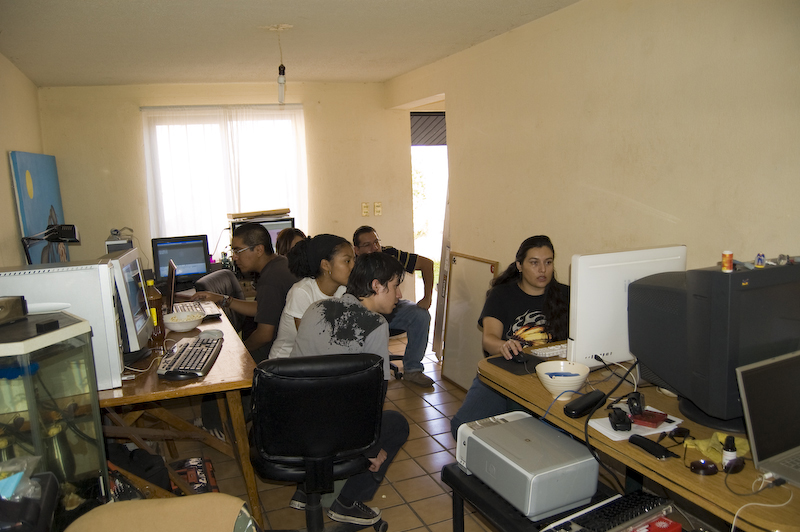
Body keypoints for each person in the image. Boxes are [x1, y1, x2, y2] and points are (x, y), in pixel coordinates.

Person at [290, 253, 410, 526]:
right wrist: (371, 448)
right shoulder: (375, 325)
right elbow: (373, 398)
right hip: (333, 434)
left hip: (293, 427)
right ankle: (347, 502)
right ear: (377, 286)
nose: (399, 294)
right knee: (396, 424)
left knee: (323, 407)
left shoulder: (316, 308)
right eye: (395, 286)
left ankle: (307, 489)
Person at [449, 235, 569, 437]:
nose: (542, 270)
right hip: (503, 374)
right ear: (520, 266)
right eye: (534, 263)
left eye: (548, 262)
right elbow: (489, 339)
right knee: (463, 428)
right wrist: (503, 345)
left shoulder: (566, 295)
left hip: (549, 379)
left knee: (544, 435)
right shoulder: (501, 295)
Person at [192, 223, 297, 364]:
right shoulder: (280, 263)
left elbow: (264, 336)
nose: (235, 257)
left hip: (276, 356)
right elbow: (263, 308)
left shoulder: (271, 279)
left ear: (259, 250)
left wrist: (238, 350)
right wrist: (222, 299)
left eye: (238, 251)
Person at [352, 225, 435, 387]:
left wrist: (427, 297)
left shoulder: (390, 254)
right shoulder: (352, 264)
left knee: (420, 315)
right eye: (367, 245)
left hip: (391, 309)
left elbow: (427, 264)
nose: (375, 248)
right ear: (356, 250)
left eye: (376, 242)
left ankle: (413, 369)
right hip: (363, 314)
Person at [269, 234, 355, 359]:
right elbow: (311, 343)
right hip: (287, 363)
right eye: (347, 261)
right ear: (325, 265)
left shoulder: (344, 291)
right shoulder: (301, 292)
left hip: (322, 361)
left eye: (354, 260)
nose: (353, 266)